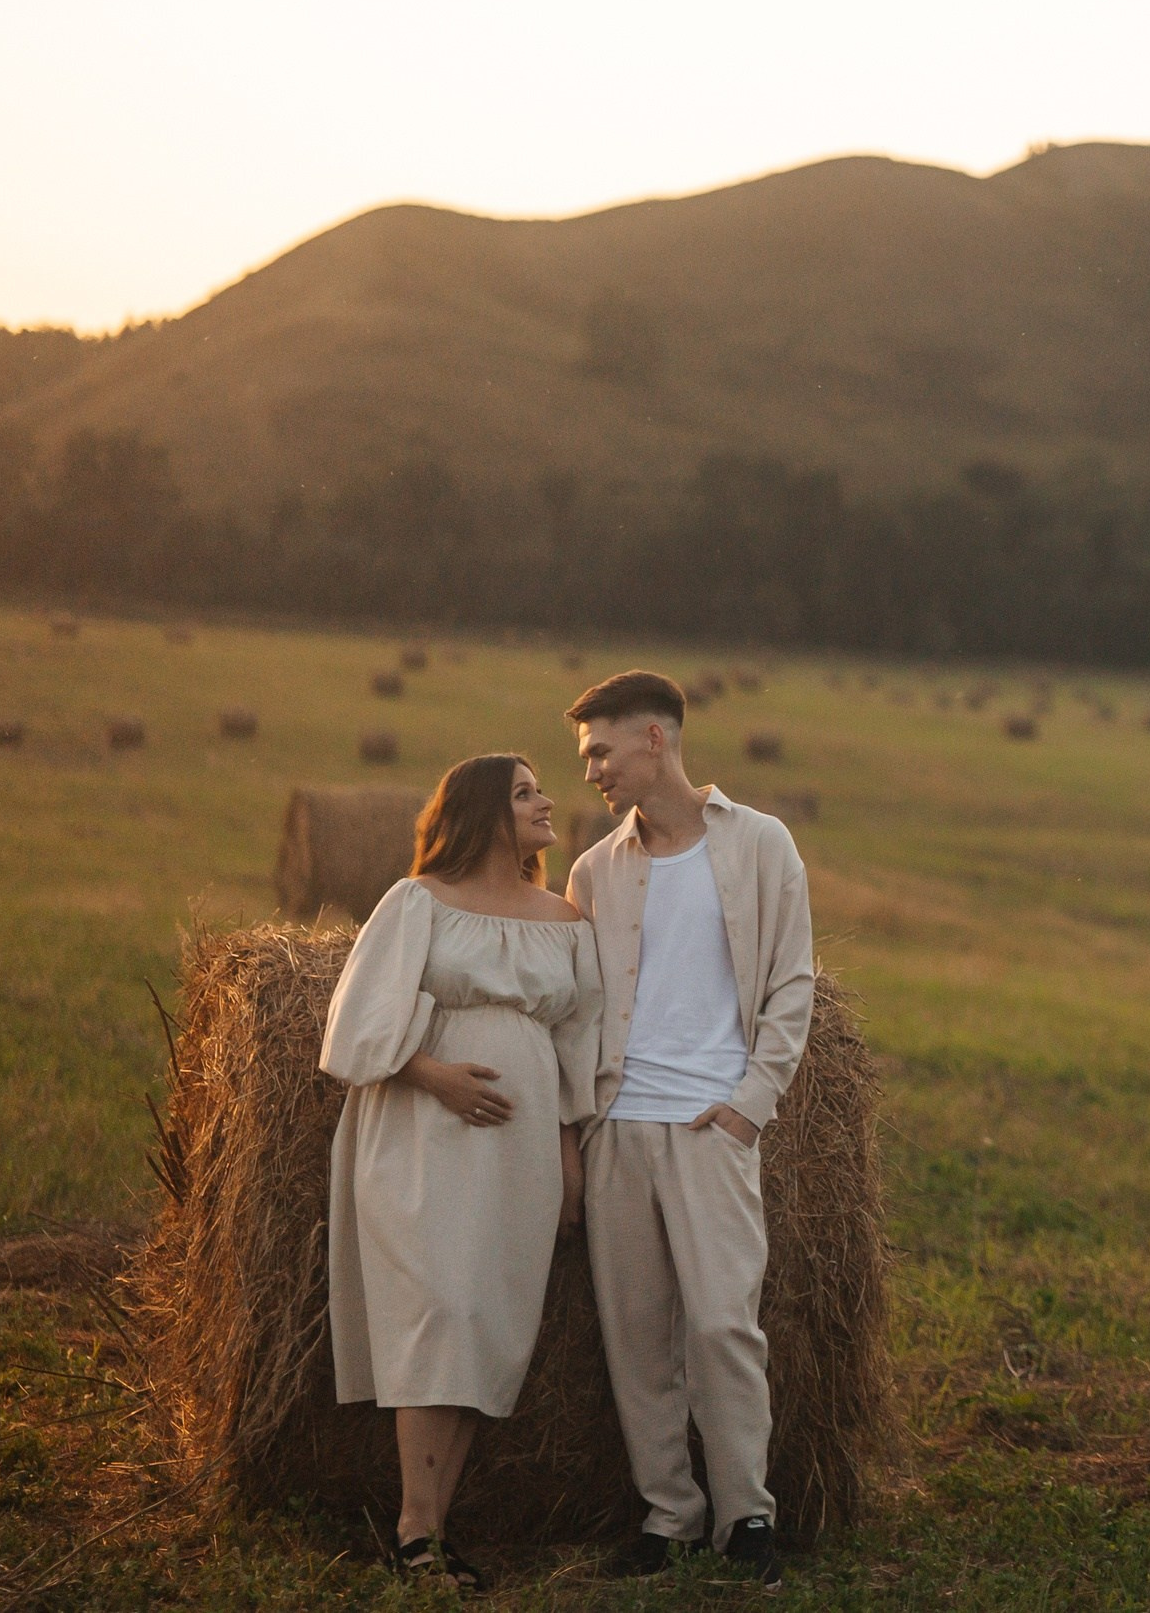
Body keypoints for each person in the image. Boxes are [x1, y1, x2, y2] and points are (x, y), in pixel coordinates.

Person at [318, 754, 604, 1591]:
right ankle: (414, 1528)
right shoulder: (418, 903)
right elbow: (358, 1020)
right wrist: (435, 1074)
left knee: (483, 1319)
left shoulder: (566, 919)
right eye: (525, 792)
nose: (547, 800)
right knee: (437, 1308)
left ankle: (432, 1537)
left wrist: (568, 1150)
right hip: (421, 1133)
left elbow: (578, 1040)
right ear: (482, 812)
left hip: (520, 1151)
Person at [563, 671, 815, 1589]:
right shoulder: (593, 869)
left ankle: (748, 1512)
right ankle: (669, 1513)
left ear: (655, 741)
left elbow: (793, 983)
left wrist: (752, 1102)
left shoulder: (759, 844)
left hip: (713, 1124)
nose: (589, 770)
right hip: (618, 1128)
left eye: (600, 750)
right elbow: (578, 1007)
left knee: (720, 1326)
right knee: (637, 1338)